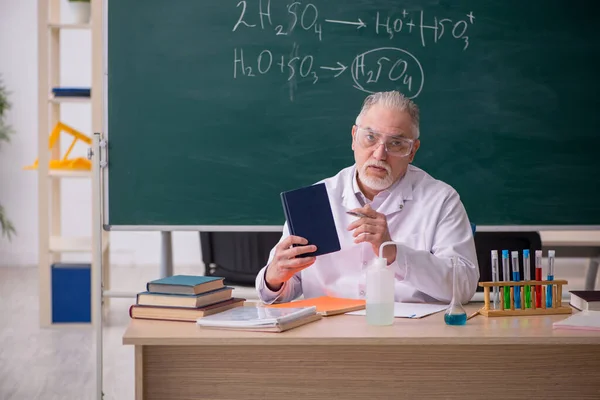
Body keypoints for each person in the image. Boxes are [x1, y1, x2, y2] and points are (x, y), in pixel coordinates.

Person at [255, 90, 480, 305]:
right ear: (354, 137)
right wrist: (274, 278)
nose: (379, 154)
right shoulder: (316, 199)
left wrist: (394, 253)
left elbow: (463, 287)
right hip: (328, 335)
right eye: (370, 137)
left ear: (412, 151)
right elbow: (280, 291)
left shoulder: (441, 200)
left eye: (396, 144)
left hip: (407, 336)